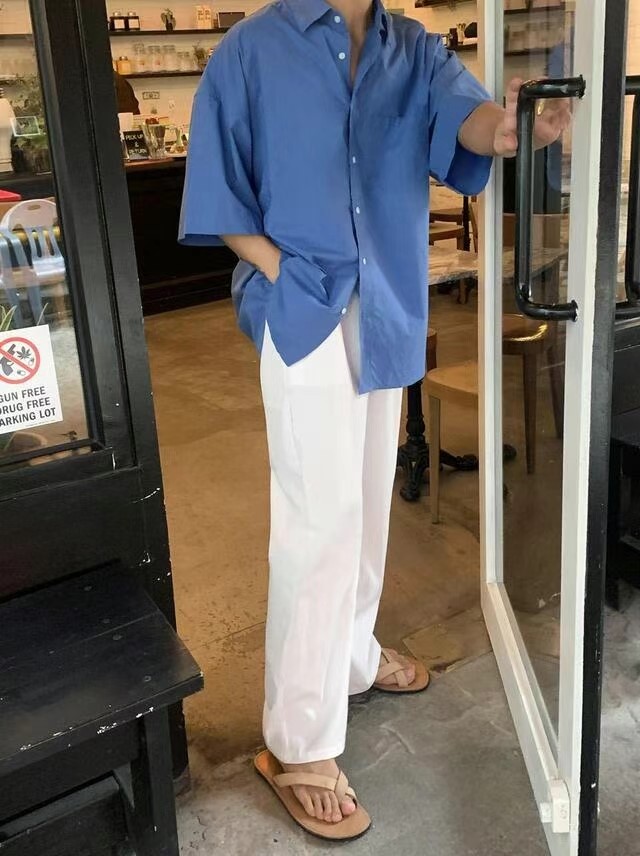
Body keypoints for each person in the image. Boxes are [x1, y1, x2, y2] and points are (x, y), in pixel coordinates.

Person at [179, 0, 570, 841]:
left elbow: (468, 123)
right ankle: (298, 742)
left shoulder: (414, 48)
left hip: (385, 302)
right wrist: (286, 273)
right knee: (317, 520)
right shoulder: (250, 51)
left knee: (364, 502)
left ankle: (352, 655)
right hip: (302, 310)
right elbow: (222, 192)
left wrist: (514, 129)